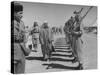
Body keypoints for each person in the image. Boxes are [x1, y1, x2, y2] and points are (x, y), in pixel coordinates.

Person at [11, 2, 31, 74]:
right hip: (15, 51)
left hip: (22, 50)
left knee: (21, 69)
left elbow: (23, 34)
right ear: (14, 13)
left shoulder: (22, 22)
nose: (22, 15)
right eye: (20, 13)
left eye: (22, 13)